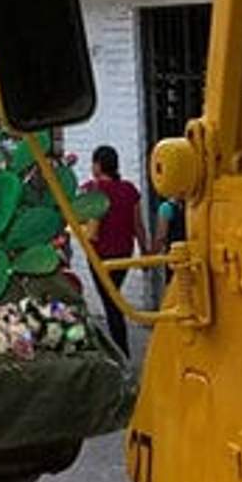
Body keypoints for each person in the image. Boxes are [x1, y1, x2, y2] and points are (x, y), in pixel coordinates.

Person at [83, 146, 142, 356]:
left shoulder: (94, 190)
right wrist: (145, 251)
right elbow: (138, 226)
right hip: (124, 252)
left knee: (110, 303)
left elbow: (87, 226)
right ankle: (119, 351)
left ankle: (120, 352)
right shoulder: (129, 189)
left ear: (99, 165)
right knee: (113, 298)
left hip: (100, 255)